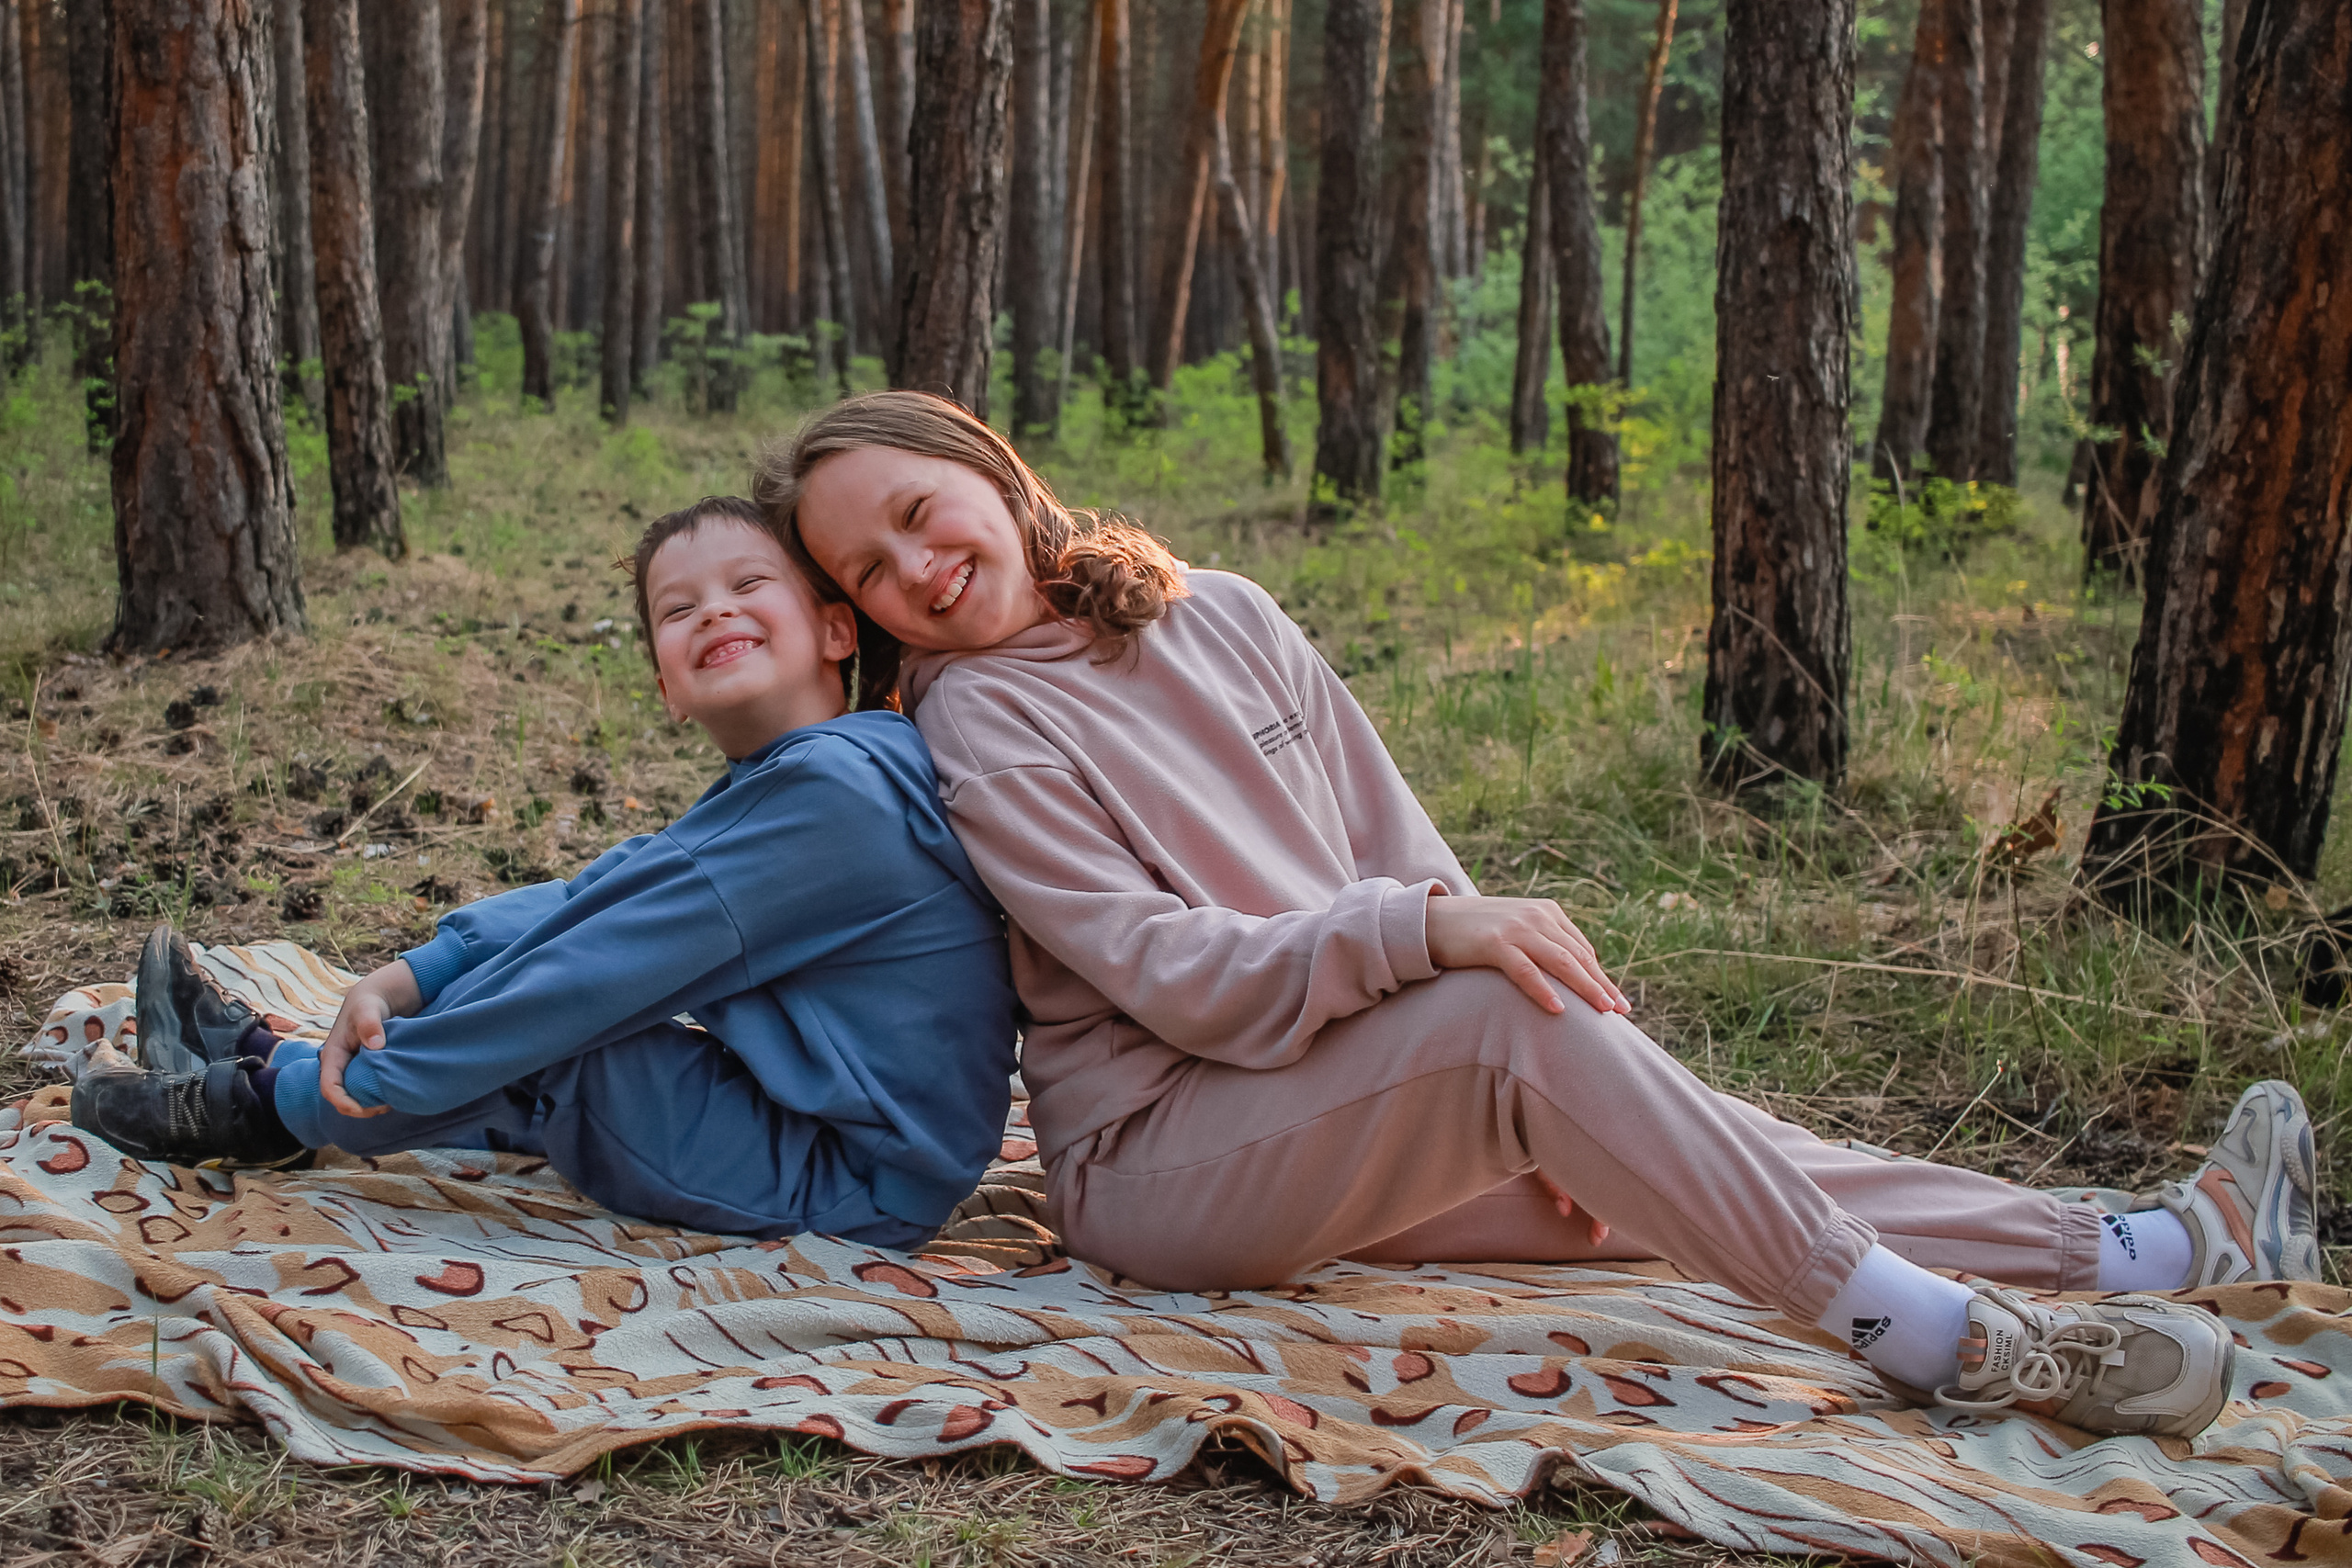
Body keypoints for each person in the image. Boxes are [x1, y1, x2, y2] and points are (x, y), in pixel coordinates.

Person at [769, 389, 2322, 1439]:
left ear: (991, 469)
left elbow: (1400, 847)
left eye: (921, 509)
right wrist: (1451, 981)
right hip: (1172, 1161)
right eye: (870, 565)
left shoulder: (1219, 612)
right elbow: (1177, 982)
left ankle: (2138, 1251)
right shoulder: (975, 719)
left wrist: (1539, 1041)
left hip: (1352, 1087)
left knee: (1676, 1134)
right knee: (1526, 1030)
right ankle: (1940, 1340)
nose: (917, 566)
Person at [72, 497, 1019, 1249]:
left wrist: (330, 1103)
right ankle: (273, 1054)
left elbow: (587, 975)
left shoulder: (830, 798)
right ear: (665, 685)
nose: (715, 610)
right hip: (838, 1140)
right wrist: (409, 976)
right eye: (678, 608)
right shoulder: (818, 770)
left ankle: (265, 1106)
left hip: (847, 1181)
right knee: (551, 1003)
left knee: (562, 1036)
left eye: (748, 584)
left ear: (836, 633)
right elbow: (600, 898)